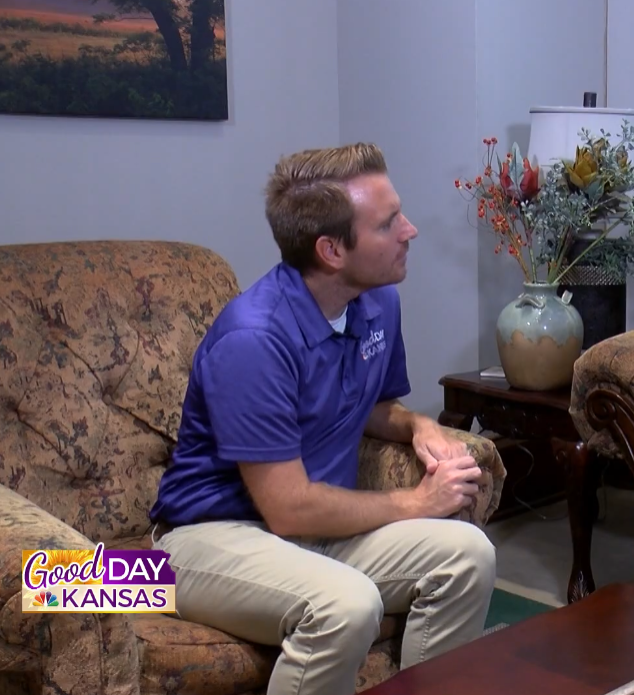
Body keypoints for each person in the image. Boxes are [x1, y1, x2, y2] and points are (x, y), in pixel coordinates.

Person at [148, 143, 496, 695]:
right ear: (332, 250)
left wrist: (417, 426)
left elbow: (373, 405)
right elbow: (287, 508)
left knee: (469, 556)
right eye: (389, 224)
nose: (410, 231)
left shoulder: (376, 300)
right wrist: (416, 504)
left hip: (315, 533)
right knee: (346, 606)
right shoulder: (254, 339)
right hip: (208, 540)